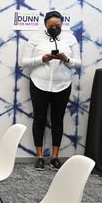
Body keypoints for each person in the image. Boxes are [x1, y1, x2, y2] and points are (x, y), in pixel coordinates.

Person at [21, 10, 80, 170]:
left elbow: (78, 63)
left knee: (57, 120)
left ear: (62, 24)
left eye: (58, 25)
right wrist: (42, 59)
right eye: (51, 25)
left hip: (63, 84)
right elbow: (24, 62)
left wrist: (66, 59)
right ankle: (39, 157)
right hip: (39, 83)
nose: (54, 28)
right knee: (39, 118)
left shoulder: (70, 38)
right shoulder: (35, 38)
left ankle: (55, 157)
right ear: (45, 24)